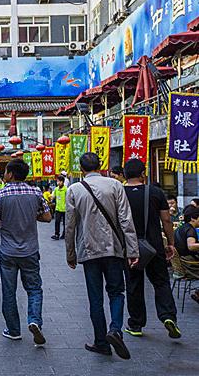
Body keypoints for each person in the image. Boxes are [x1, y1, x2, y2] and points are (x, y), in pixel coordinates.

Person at [65, 152, 139, 360]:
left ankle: (101, 342)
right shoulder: (115, 185)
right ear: (101, 165)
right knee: (116, 292)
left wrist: (70, 253)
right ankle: (115, 329)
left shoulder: (74, 189)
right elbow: (126, 220)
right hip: (114, 249)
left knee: (95, 298)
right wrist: (132, 250)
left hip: (89, 251)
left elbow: (70, 226)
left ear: (81, 168)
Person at [0, 159, 52, 345]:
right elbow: (47, 217)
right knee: (34, 289)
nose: (4, 175)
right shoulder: (36, 192)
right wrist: (31, 217)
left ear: (11, 174)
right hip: (30, 250)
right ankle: (34, 320)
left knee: (9, 291)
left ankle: (14, 330)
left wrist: (3, 221)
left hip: (8, 252)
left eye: (6, 171)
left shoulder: (0, 194)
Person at [122, 159, 180, 339]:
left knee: (134, 284)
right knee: (161, 282)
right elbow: (167, 220)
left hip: (130, 246)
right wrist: (170, 243)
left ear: (125, 175)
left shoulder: (120, 193)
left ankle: (136, 324)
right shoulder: (155, 192)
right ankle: (168, 316)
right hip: (154, 246)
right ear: (142, 174)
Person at [174, 205, 199, 303]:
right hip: (190, 266)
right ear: (193, 218)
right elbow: (191, 246)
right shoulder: (190, 230)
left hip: (184, 263)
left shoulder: (181, 228)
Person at [51, 175, 67, 240]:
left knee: (65, 223)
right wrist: (51, 198)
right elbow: (53, 196)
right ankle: (56, 234)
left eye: (59, 181)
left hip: (65, 209)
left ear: (62, 182)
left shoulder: (66, 189)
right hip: (58, 208)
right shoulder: (56, 189)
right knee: (57, 222)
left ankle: (64, 234)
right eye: (57, 181)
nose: (58, 183)